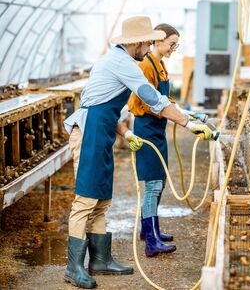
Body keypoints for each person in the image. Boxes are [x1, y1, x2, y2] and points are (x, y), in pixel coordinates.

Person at [63, 16, 214, 289]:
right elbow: (153, 100)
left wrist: (126, 133)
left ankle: (100, 259)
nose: (150, 45)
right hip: (89, 135)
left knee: (100, 202)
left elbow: (103, 108)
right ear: (137, 43)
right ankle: (73, 268)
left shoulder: (121, 61)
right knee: (85, 200)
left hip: (102, 131)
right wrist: (188, 123)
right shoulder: (124, 64)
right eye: (148, 41)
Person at [128, 23, 203, 257]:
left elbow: (165, 99)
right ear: (158, 41)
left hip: (157, 130)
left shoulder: (159, 65)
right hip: (147, 129)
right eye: (171, 44)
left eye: (175, 45)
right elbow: (152, 103)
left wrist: (189, 113)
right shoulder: (145, 66)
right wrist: (185, 122)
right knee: (153, 185)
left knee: (158, 181)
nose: (173, 48)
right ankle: (151, 241)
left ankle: (150, 230)